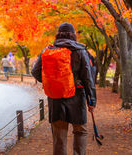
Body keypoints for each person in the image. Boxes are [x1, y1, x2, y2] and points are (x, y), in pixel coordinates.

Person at [31, 22, 96, 155]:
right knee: (80, 131)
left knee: (59, 136)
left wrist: (52, 81)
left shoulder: (48, 50)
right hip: (77, 97)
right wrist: (92, 100)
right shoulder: (80, 51)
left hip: (56, 98)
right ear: (73, 35)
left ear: (58, 35)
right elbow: (87, 78)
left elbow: (35, 72)